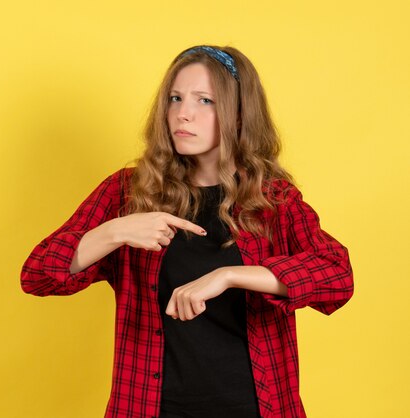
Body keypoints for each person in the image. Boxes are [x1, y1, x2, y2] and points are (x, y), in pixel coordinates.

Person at [20, 45, 353, 418]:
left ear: (240, 116)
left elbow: (337, 276)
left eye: (205, 101)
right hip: (149, 407)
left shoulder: (272, 199)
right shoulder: (129, 191)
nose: (183, 113)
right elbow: (38, 275)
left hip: (255, 408)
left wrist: (229, 276)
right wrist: (115, 230)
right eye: (175, 98)